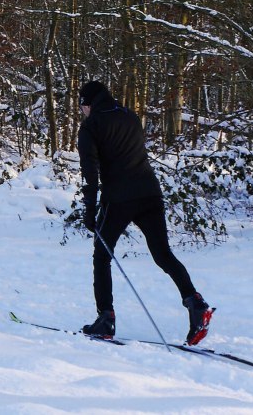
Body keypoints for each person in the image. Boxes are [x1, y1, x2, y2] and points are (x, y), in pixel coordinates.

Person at [75, 80, 214, 345]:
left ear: (88, 104)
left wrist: (90, 210)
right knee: (162, 254)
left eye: (82, 106)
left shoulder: (90, 127)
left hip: (118, 199)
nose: (82, 111)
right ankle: (196, 304)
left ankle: (105, 318)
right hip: (150, 192)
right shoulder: (129, 116)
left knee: (102, 257)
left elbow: (89, 173)